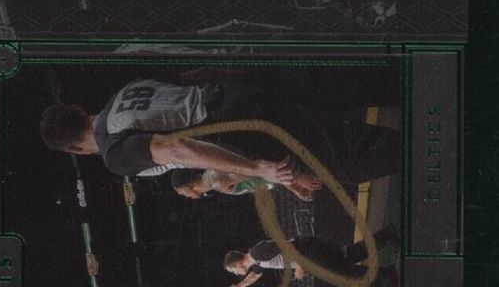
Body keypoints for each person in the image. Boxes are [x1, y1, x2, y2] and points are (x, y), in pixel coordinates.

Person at [40, 76, 399, 183]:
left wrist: (257, 169)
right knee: (352, 92)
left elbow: (178, 148)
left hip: (239, 125)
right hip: (238, 89)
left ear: (74, 149)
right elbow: (191, 83)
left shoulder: (114, 153)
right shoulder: (125, 91)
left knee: (351, 158)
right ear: (80, 108)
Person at [221, 226, 400, 287]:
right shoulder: (257, 262)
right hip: (309, 252)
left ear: (238, 264)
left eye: (233, 271)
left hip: (308, 252)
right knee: (348, 256)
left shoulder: (258, 253)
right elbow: (254, 276)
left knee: (342, 275)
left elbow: (288, 244)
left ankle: (385, 274)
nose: (236, 274)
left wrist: (299, 266)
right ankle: (387, 236)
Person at [170, 166, 323, 202]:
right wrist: (293, 187)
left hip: (289, 174)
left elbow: (256, 170)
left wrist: (296, 181)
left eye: (185, 194)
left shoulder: (215, 180)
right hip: (284, 177)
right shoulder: (212, 179)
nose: (188, 197)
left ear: (189, 187)